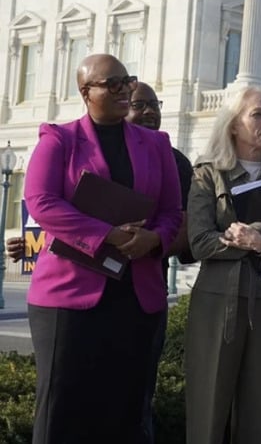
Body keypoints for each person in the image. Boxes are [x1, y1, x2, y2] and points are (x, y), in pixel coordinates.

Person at [23, 54, 183, 444]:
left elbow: (172, 211)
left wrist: (155, 239)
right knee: (63, 411)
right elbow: (41, 202)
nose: (124, 90)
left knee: (126, 412)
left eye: (127, 81)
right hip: (69, 297)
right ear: (86, 92)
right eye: (112, 84)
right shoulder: (58, 139)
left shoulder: (156, 144)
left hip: (136, 295)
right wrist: (106, 234)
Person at [185, 86, 261, 444]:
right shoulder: (208, 175)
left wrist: (259, 243)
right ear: (234, 124)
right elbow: (200, 242)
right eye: (258, 115)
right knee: (208, 410)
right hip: (216, 302)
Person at [127, 81, 194, 444]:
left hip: (145, 295)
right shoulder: (93, 152)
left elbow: (187, 234)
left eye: (155, 104)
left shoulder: (175, 161)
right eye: (141, 105)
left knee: (139, 398)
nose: (151, 111)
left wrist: (153, 241)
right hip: (88, 295)